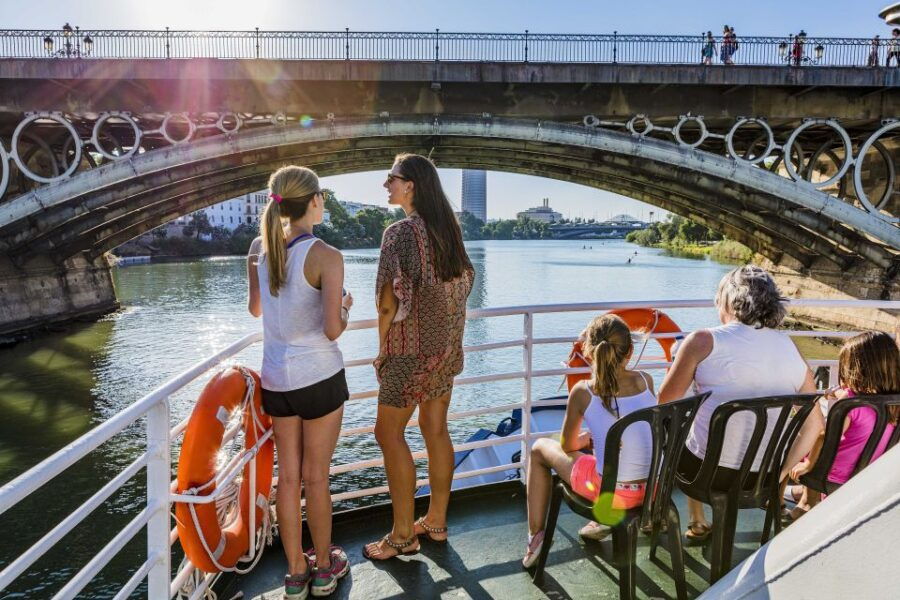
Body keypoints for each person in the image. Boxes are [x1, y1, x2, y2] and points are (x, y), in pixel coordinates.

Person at [247, 165, 354, 599]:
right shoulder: (327, 256)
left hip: (277, 381)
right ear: (313, 201)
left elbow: (256, 309)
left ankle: (294, 573)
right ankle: (325, 569)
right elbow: (332, 329)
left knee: (288, 480)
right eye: (322, 197)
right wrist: (345, 307)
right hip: (320, 379)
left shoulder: (259, 247)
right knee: (318, 478)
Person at [363, 154, 474, 560]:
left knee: (388, 435)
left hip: (410, 352)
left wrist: (381, 350)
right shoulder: (449, 231)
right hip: (445, 350)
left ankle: (402, 535)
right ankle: (437, 522)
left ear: (410, 185)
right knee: (436, 430)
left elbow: (387, 302)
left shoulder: (399, 233)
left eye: (390, 178)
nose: (386, 186)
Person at [657, 265, 817, 541]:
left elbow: (665, 403)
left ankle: (689, 519)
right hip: (761, 478)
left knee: (676, 424)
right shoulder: (790, 347)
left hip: (706, 476)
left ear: (730, 300)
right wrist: (779, 473)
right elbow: (815, 426)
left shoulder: (703, 340)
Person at [522, 314, 656, 566]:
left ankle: (535, 537)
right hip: (653, 491)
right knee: (608, 458)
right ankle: (602, 522)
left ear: (589, 352)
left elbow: (568, 446)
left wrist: (585, 440)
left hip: (615, 495)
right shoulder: (645, 380)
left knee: (540, 449)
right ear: (630, 351)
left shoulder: (584, 392)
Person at [780, 331, 900, 520]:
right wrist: (838, 394)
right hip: (869, 471)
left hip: (832, 474)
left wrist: (809, 465)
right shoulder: (894, 403)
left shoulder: (850, 406)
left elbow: (823, 437)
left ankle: (796, 505)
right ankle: (805, 497)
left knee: (794, 446)